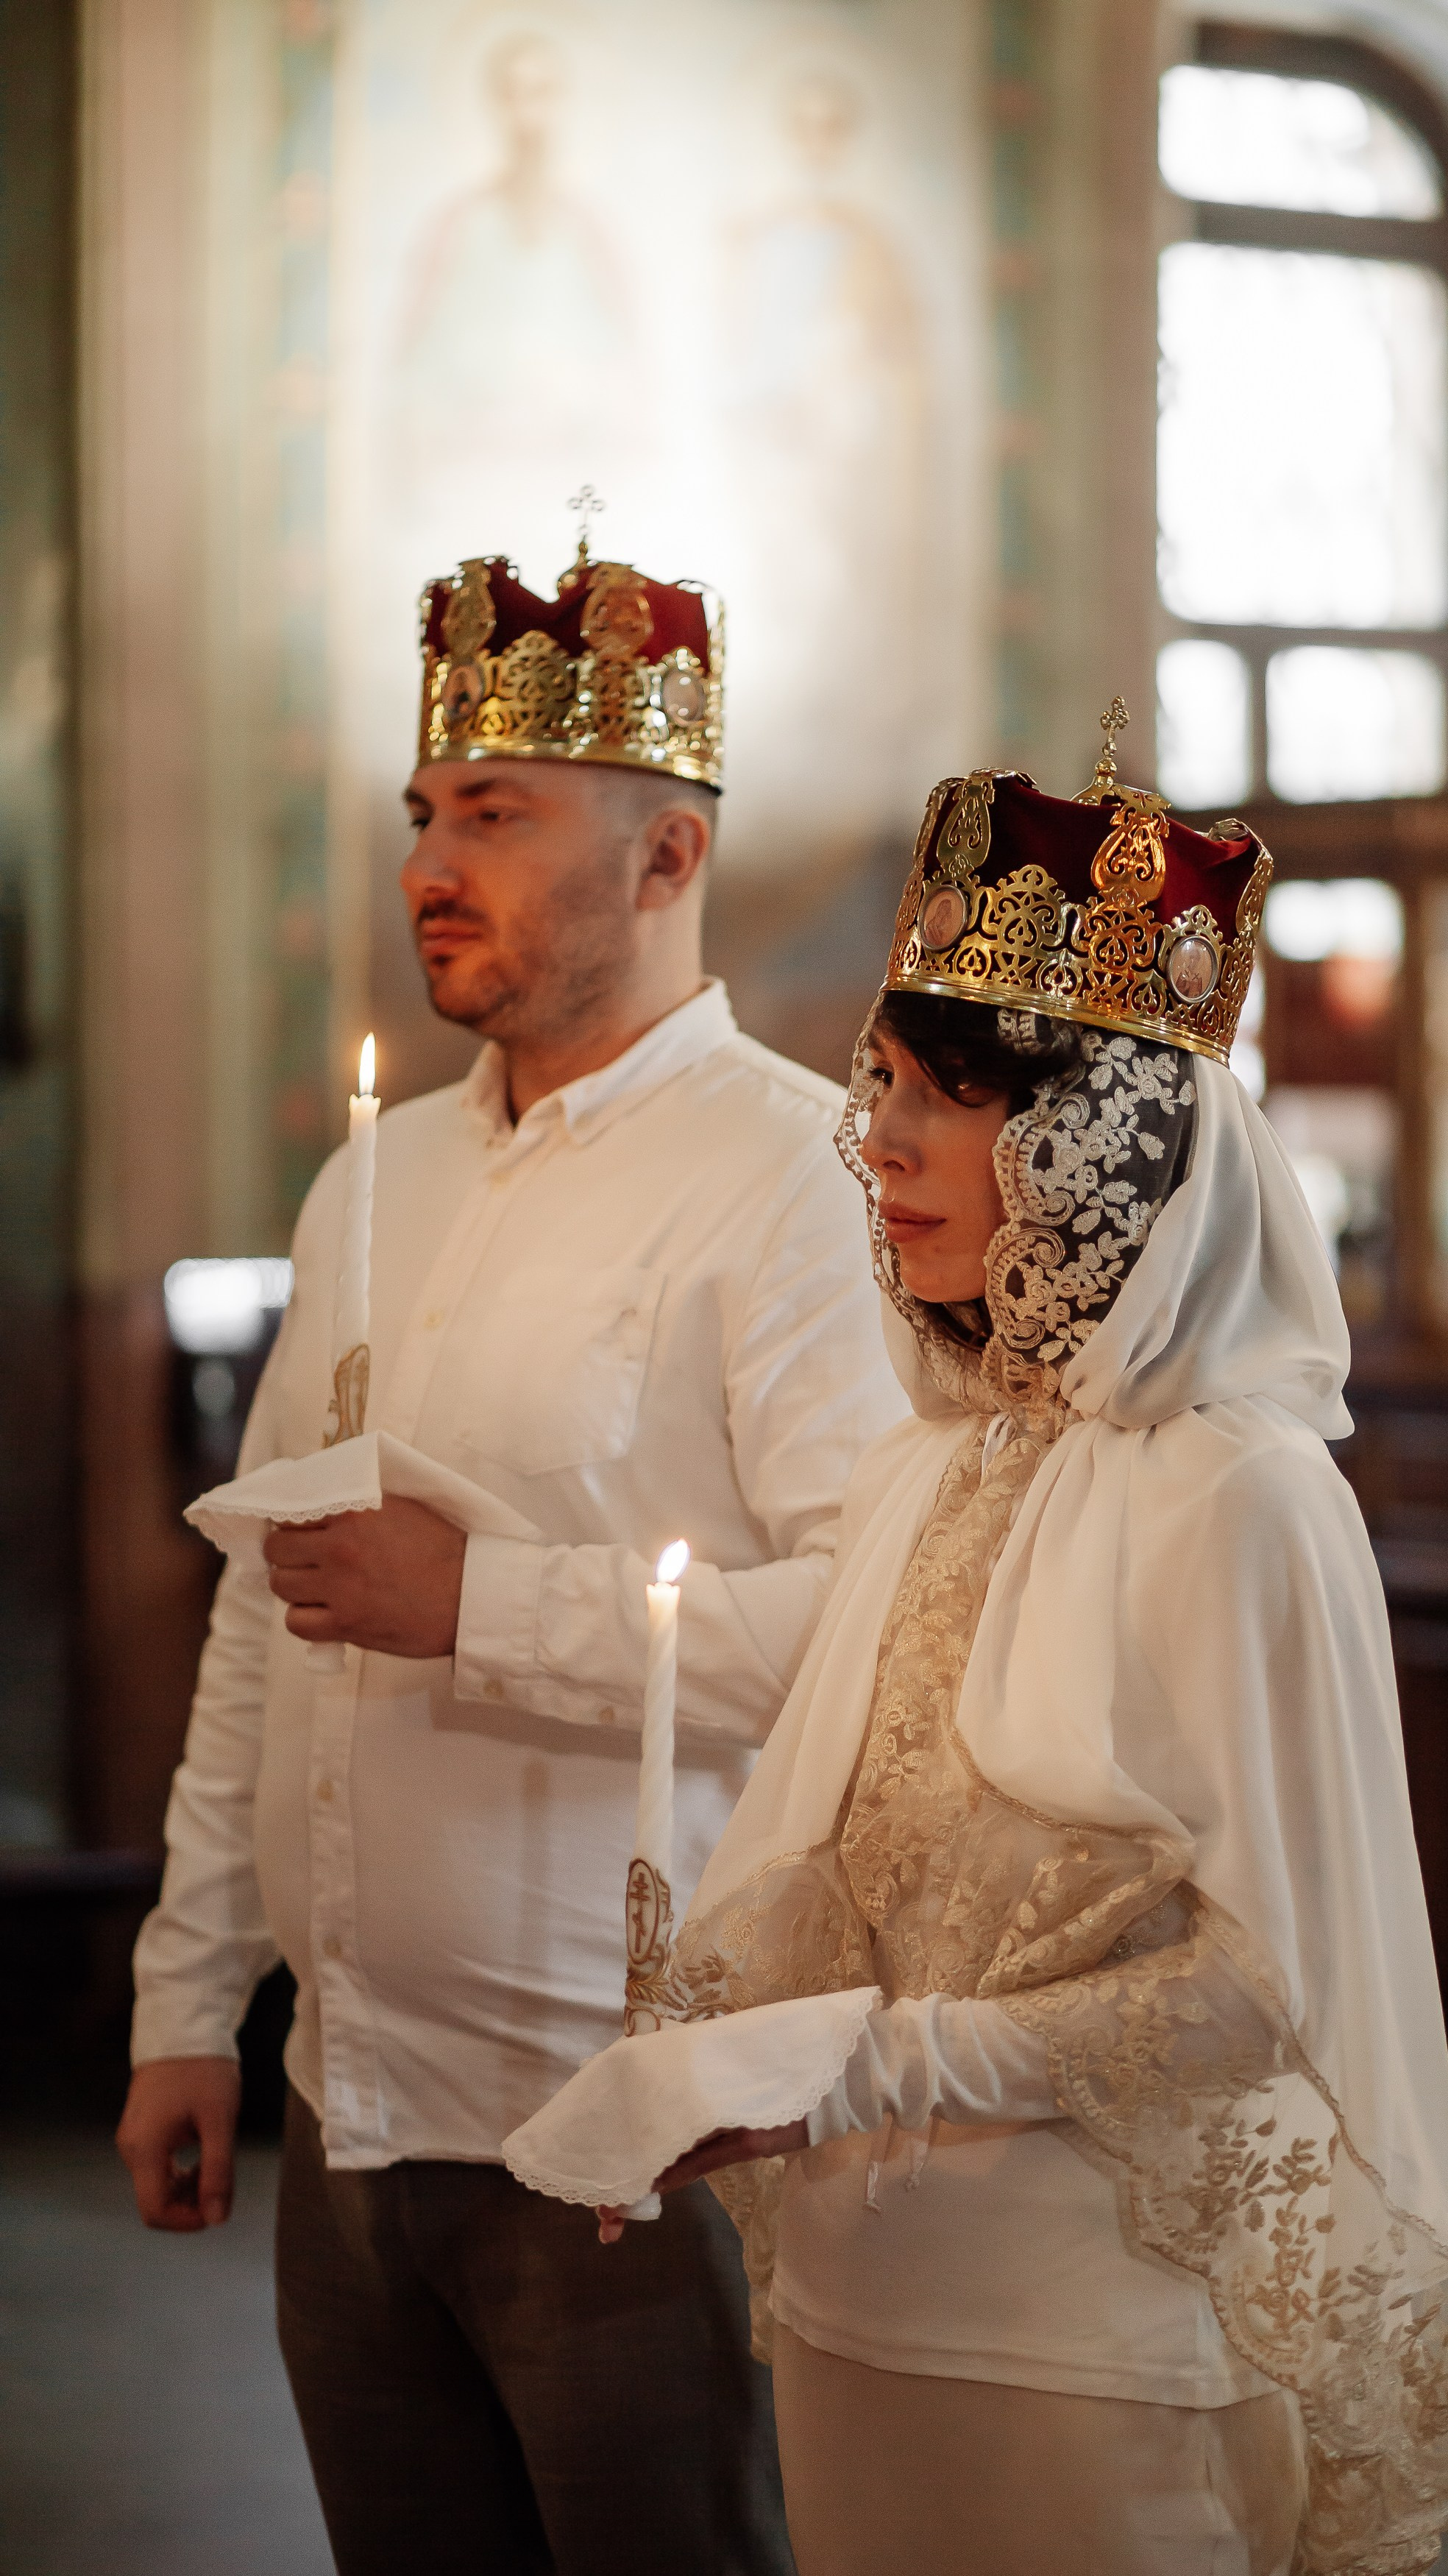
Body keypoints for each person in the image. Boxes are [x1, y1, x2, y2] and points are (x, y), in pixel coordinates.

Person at [504, 718, 1448, 2575]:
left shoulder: (1237, 1493)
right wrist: (719, 2069)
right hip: (862, 2309)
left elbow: (1265, 1990)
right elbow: (865, 1877)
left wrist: (880, 2068)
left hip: (1097, 2350)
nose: (880, 1142)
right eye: (882, 1081)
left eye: (949, 1097)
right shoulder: (935, 1465)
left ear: (1095, 1141)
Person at [116, 539, 903, 2576]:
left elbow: (874, 1632)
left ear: (665, 858)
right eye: (420, 816)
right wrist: (191, 1994)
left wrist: (476, 1604)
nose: (425, 865)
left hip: (624, 2134)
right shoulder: (373, 1175)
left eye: (492, 814)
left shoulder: (794, 1179)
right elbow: (255, 1610)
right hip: (347, 2112)